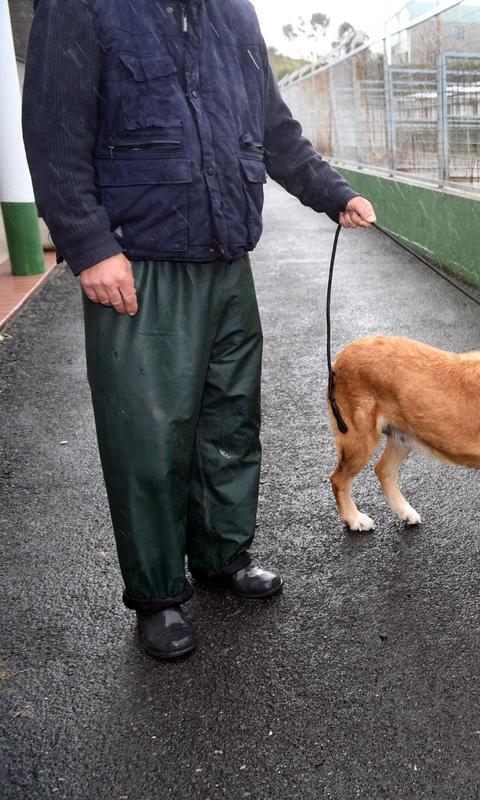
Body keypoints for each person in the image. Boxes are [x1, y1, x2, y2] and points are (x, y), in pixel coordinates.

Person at [22, 0, 376, 660]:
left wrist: (333, 192)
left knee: (230, 420)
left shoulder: (233, 14)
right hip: (140, 263)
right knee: (149, 439)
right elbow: (55, 132)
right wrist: (88, 244)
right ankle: (157, 595)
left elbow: (274, 129)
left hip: (227, 262)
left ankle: (221, 555)